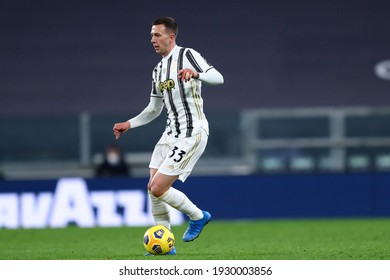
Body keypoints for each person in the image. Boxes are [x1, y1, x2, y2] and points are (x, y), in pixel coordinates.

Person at [113, 17, 224, 255]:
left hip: (192, 132)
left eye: (157, 35)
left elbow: (218, 78)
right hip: (169, 134)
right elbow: (154, 108)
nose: (152, 40)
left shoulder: (188, 55)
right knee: (152, 188)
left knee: (158, 187)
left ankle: (198, 216)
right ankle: (166, 247)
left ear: (171, 36)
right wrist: (129, 124)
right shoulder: (158, 70)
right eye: (151, 35)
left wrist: (196, 74)